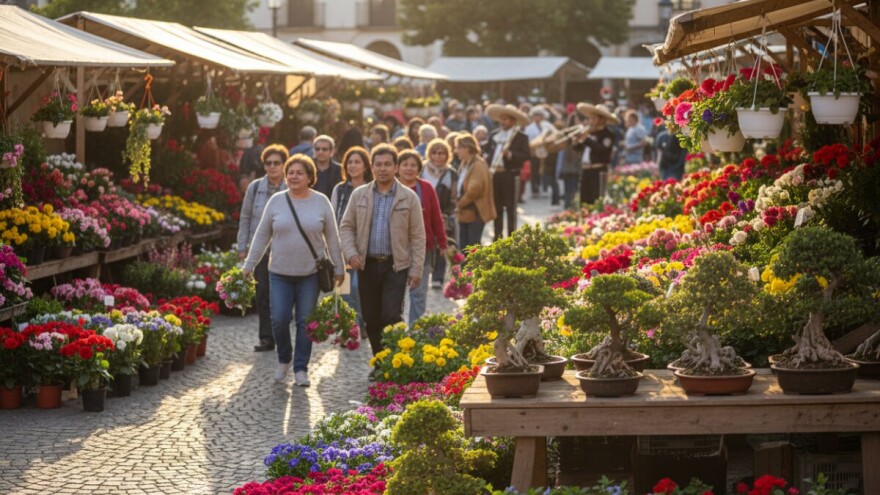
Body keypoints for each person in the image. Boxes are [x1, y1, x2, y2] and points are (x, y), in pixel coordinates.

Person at [242, 154, 345, 386]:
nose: (294, 176)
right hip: (278, 272)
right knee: (278, 319)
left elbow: (332, 237)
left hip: (310, 274)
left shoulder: (321, 202)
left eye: (299, 173)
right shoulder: (276, 201)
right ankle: (284, 358)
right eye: (291, 172)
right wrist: (249, 265)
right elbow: (261, 235)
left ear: (310, 177)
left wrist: (339, 268)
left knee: (305, 322)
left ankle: (300, 368)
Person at [339, 144, 426, 372]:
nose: (383, 169)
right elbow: (346, 227)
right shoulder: (360, 195)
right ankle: (381, 363)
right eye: (378, 164)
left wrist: (416, 269)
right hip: (366, 264)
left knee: (391, 314)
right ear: (372, 167)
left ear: (396, 167)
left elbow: (418, 236)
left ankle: (395, 362)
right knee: (370, 317)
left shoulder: (408, 197)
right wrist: (351, 253)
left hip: (395, 266)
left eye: (388, 164)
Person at [237, 144, 289, 353]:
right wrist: (242, 247)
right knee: (263, 294)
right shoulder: (255, 187)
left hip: (284, 250)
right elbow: (246, 217)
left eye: (277, 163)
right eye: (268, 163)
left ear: (284, 164)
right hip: (260, 251)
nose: (272, 167)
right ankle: (267, 338)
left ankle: (281, 332)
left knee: (283, 295)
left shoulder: (290, 187)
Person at [397, 150, 447, 323]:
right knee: (395, 294)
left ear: (419, 168)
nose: (409, 169)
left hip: (422, 248)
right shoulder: (391, 188)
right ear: (398, 167)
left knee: (418, 293)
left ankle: (416, 334)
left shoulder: (426, 188)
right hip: (396, 250)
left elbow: (436, 217)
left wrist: (443, 242)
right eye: (405, 164)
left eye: (413, 165)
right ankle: (395, 332)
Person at [330, 146, 373, 337]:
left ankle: (362, 321)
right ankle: (351, 327)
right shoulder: (340, 189)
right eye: (350, 162)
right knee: (346, 291)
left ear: (365, 166)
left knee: (360, 287)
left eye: (357, 162)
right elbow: (332, 217)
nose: (353, 166)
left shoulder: (373, 188)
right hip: (343, 246)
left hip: (367, 246)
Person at [484, 103, 529, 239]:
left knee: (510, 207)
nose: (502, 122)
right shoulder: (494, 135)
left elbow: (526, 155)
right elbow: (487, 152)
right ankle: (497, 237)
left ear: (513, 121)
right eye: (501, 119)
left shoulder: (521, 137)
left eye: (506, 119)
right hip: (495, 174)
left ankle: (511, 237)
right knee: (496, 208)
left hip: (510, 174)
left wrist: (510, 154)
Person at [422, 138, 458, 288]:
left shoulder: (451, 173)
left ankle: (438, 277)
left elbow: (454, 197)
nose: (438, 156)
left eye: (442, 153)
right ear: (430, 154)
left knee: (443, 244)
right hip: (423, 214)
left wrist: (448, 213)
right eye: (435, 153)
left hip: (443, 214)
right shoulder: (422, 169)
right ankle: (424, 272)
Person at [454, 133, 496, 250]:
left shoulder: (478, 164)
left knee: (472, 246)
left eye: (458, 147)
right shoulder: (465, 163)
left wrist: (459, 203)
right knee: (464, 246)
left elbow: (474, 190)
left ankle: (474, 268)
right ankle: (466, 267)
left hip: (474, 212)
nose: (456, 151)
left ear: (466, 148)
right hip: (465, 213)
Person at [577, 103, 619, 205]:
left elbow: (601, 149)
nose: (590, 121)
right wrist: (577, 141)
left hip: (598, 171)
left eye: (594, 118)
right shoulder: (590, 132)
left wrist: (586, 139)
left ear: (602, 120)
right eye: (590, 118)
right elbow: (580, 149)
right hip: (585, 170)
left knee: (596, 199)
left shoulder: (608, 134)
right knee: (584, 200)